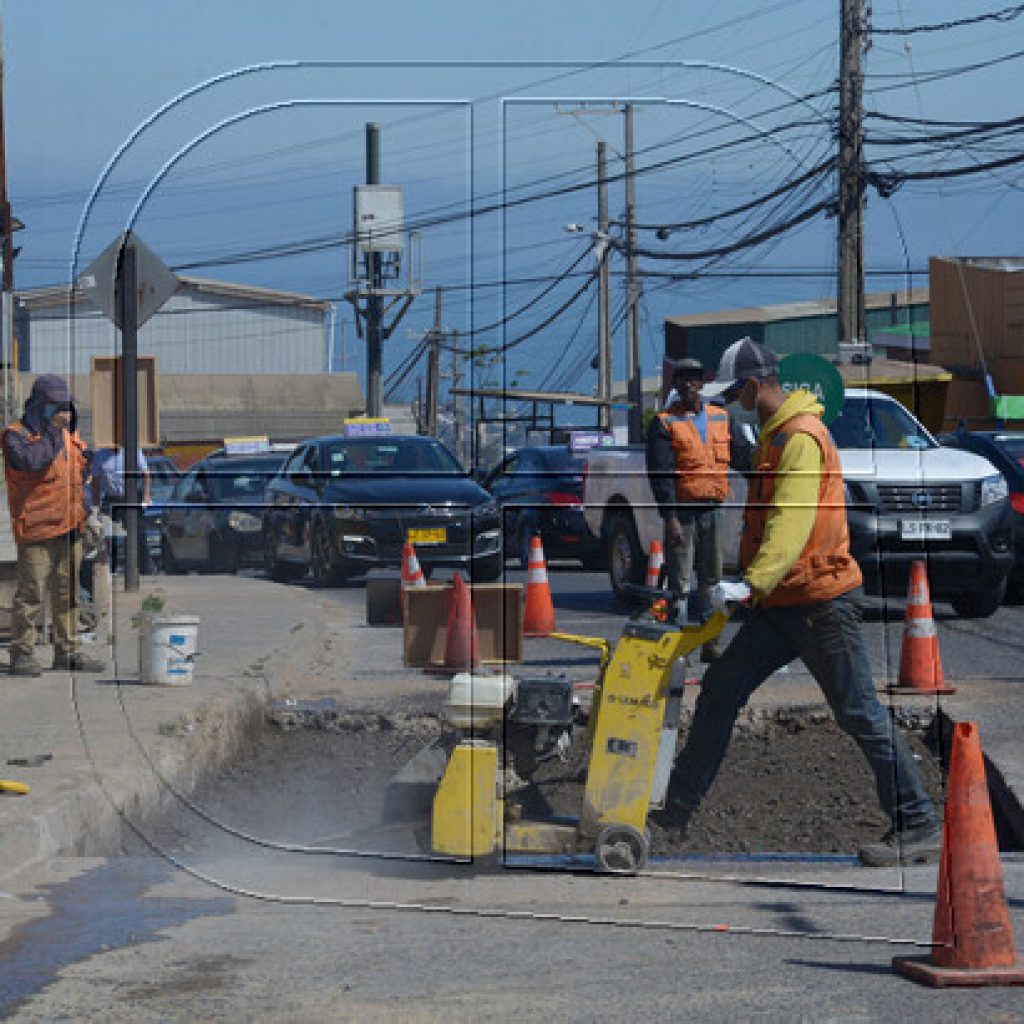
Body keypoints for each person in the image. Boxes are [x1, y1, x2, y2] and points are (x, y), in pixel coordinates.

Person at [656, 337, 942, 868]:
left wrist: (750, 582)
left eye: (732, 391)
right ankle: (671, 815)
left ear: (750, 385)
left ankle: (918, 821)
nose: (728, 401)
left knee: (858, 711)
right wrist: (752, 589)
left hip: (818, 601)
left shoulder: (801, 438)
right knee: (721, 688)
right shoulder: (775, 434)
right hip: (786, 600)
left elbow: (792, 521)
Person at [2, 375, 107, 675]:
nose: (64, 412)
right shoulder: (16, 436)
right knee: (31, 594)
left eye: (66, 406)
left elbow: (80, 476)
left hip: (70, 528)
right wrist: (51, 432)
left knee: (68, 594)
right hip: (36, 531)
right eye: (56, 406)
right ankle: (22, 653)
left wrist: (86, 510)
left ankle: (68, 651)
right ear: (38, 406)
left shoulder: (69, 437)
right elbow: (32, 462)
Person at [646, 357, 730, 662]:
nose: (689, 384)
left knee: (713, 583)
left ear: (702, 382)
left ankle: (712, 644)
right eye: (683, 379)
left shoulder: (721, 417)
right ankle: (675, 647)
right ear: (676, 384)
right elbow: (661, 474)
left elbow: (741, 457)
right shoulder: (664, 422)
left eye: (694, 378)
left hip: (714, 510)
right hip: (682, 513)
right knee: (679, 585)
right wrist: (669, 517)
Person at [89, 444, 155, 574]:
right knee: (108, 535)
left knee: (138, 532)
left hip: (131, 496)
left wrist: (146, 497)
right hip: (111, 498)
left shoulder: (133, 451)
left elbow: (146, 474)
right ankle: (109, 569)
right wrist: (96, 503)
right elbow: (95, 481)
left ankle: (144, 568)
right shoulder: (101, 456)